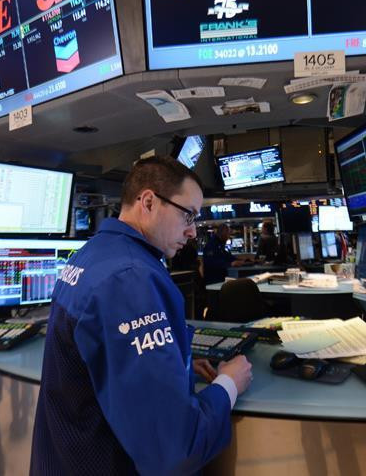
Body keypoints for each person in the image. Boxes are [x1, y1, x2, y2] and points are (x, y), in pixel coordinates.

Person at [31, 156, 253, 475]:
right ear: (148, 201)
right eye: (188, 215)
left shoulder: (91, 255)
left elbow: (105, 357)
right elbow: (175, 447)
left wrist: (176, 363)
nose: (192, 231)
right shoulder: (130, 277)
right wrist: (229, 383)